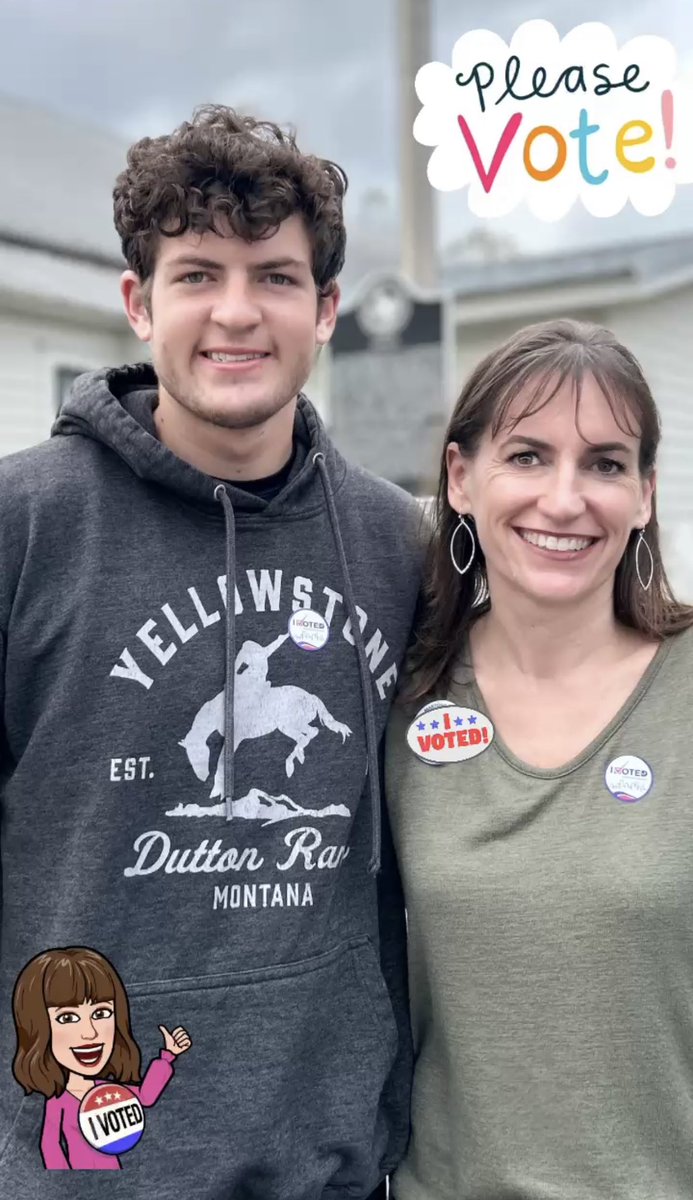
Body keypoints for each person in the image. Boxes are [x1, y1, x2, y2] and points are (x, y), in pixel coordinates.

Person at [0, 105, 421, 1197]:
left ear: (326, 309)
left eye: (275, 277)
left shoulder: (393, 542)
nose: (237, 314)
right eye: (198, 275)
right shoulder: (23, 526)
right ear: (139, 301)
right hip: (87, 1171)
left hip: (331, 1170)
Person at [386, 317, 693, 1200]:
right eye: (525, 455)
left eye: (603, 463)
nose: (564, 499)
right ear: (461, 477)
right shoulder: (394, 699)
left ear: (643, 494)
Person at [12, 946, 191, 1170]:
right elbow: (50, 1145)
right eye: (67, 1017)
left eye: (100, 1013)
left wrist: (167, 1056)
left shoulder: (109, 1091)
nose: (90, 1032)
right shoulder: (58, 1101)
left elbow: (145, 1097)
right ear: (39, 1028)